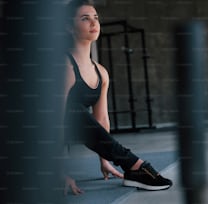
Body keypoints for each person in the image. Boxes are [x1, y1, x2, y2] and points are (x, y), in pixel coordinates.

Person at [63, 0, 172, 195]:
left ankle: (131, 166)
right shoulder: (65, 67)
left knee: (77, 113)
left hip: (76, 128)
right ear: (69, 27)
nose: (93, 23)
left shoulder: (101, 72)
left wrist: (105, 159)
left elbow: (102, 119)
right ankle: (135, 166)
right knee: (72, 111)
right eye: (85, 18)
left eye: (96, 17)